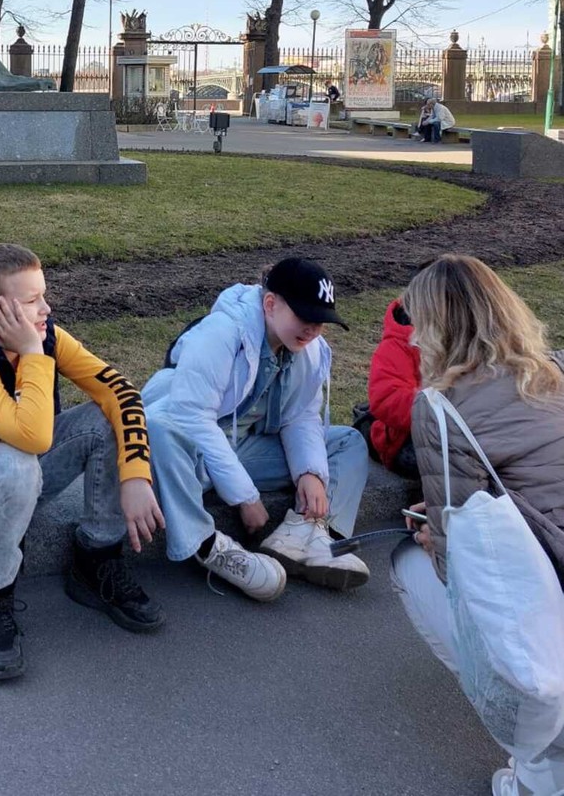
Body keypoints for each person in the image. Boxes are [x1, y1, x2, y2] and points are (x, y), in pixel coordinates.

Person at [0, 243, 165, 682]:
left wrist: (136, 475)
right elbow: (34, 436)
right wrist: (35, 356)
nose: (47, 307)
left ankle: (96, 559)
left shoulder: (46, 334)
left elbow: (122, 392)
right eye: (30, 301)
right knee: (15, 462)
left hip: (16, 475)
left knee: (101, 418)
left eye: (43, 294)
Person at [391, 255, 564, 796]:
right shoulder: (556, 369)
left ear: (439, 327)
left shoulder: (440, 408)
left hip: (549, 591)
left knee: (407, 567)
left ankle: (538, 763)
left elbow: (454, 569)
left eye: (418, 322)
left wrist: (430, 534)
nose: (413, 337)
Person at [142, 257, 370, 599]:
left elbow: (301, 416)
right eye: (304, 316)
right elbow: (193, 418)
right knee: (158, 426)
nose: (312, 329)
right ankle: (207, 545)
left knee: (348, 441)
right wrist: (245, 496)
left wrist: (311, 473)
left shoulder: (307, 348)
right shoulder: (223, 332)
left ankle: (308, 536)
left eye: (320, 321)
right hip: (195, 456)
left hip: (246, 449)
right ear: (270, 304)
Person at [366, 299, 421, 479]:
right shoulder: (398, 342)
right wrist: (440, 405)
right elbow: (386, 399)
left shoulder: (472, 336)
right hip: (407, 440)